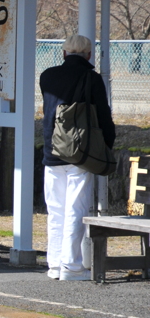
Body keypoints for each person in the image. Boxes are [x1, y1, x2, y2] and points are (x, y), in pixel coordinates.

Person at [39, 34, 115, 281]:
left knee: (56, 211)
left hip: (52, 151)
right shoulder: (92, 79)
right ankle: (71, 267)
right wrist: (107, 145)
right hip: (80, 153)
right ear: (88, 55)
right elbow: (103, 115)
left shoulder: (47, 76)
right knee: (75, 209)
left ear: (63, 53)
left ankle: (54, 266)